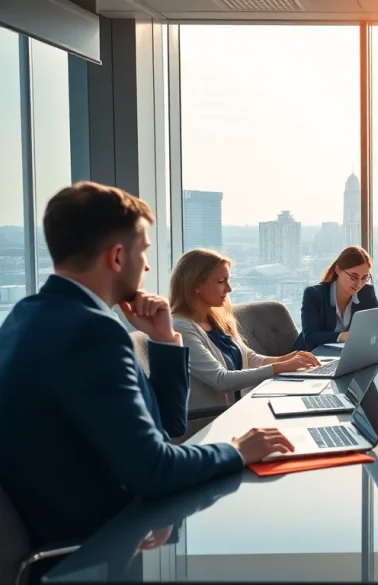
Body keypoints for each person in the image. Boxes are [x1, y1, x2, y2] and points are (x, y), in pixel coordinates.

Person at [0, 181, 294, 555]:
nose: (148, 265)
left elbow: (165, 430)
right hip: (98, 545)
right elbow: (154, 470)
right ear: (118, 257)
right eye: (144, 252)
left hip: (92, 526)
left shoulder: (25, 316)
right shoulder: (92, 332)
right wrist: (236, 450)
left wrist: (164, 341)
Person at [169, 249, 320, 414]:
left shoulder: (214, 319)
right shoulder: (181, 328)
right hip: (213, 419)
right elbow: (222, 380)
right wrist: (280, 367)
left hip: (240, 408)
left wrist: (285, 359)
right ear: (196, 285)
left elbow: (249, 357)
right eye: (221, 281)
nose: (229, 289)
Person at [294, 245, 378, 351]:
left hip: (345, 354)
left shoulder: (367, 292)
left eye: (364, 278)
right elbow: (310, 337)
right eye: (353, 277)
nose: (359, 284)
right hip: (308, 356)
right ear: (338, 270)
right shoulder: (314, 294)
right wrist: (343, 336)